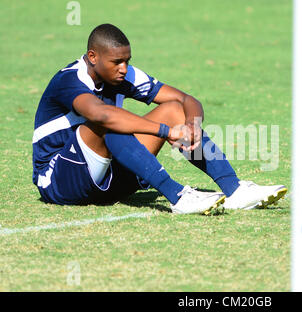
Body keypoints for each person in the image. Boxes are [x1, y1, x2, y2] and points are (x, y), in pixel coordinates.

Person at [32, 23, 287, 214]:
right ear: (92, 57)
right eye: (117, 62)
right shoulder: (70, 79)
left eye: (127, 61)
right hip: (60, 181)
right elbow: (102, 115)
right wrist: (165, 132)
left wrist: (192, 125)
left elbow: (187, 100)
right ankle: (178, 197)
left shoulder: (124, 75)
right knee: (109, 121)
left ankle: (235, 189)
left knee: (174, 109)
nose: (124, 68)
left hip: (110, 178)